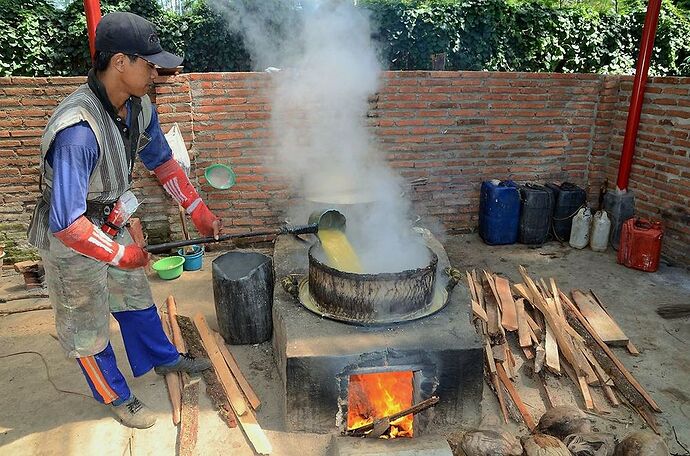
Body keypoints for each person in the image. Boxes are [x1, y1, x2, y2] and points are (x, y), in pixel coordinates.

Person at [26, 12, 220, 429]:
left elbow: (161, 162)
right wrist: (119, 254)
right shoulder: (77, 131)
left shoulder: (138, 107)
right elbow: (67, 222)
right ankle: (115, 394)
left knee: (135, 298)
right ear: (119, 63)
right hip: (71, 240)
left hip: (110, 222)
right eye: (148, 63)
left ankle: (164, 359)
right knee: (86, 326)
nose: (155, 72)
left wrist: (196, 208)